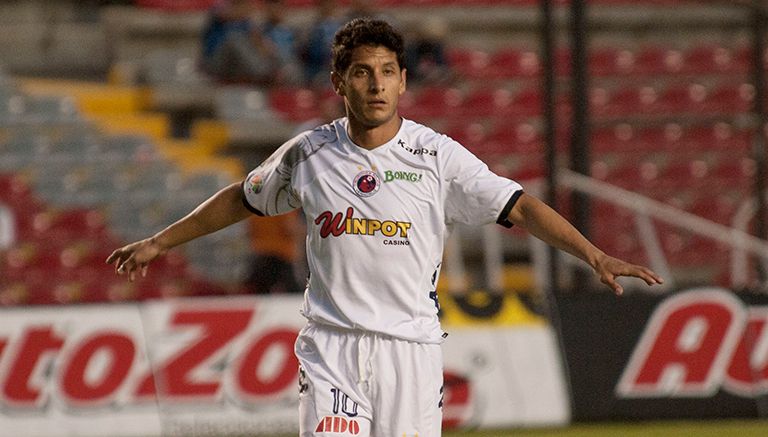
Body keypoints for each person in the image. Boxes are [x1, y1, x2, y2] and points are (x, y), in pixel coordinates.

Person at [107, 18, 663, 436]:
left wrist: (594, 255)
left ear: (402, 83)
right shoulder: (308, 154)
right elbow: (243, 200)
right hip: (331, 347)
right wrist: (161, 240)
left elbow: (520, 205)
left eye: (388, 73)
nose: (376, 84)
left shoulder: (437, 157)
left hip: (410, 350)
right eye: (362, 73)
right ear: (338, 83)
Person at [200, 0, 281, 85]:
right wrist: (248, 11)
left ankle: (276, 71)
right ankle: (262, 72)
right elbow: (226, 14)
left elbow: (258, 41)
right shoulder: (219, 5)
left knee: (266, 42)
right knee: (234, 38)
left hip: (237, 66)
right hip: (214, 63)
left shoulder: (248, 20)